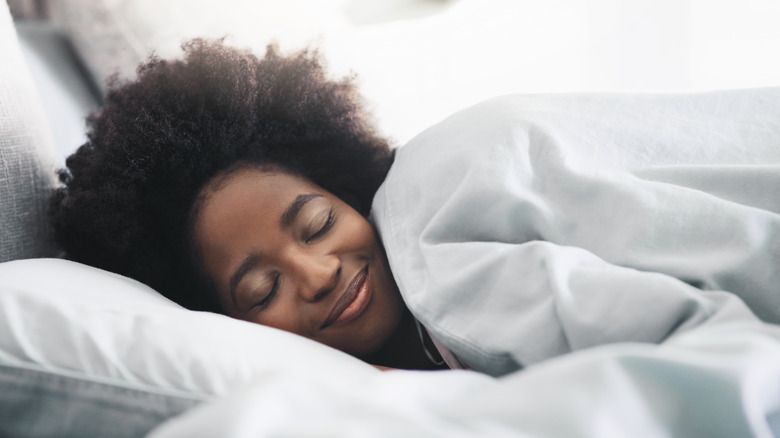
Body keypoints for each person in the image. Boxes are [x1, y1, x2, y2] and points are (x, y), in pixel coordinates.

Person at [49, 39, 779, 375]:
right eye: (261, 288)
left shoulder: (435, 232)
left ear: (349, 185)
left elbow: (719, 354)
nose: (317, 272)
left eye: (316, 223)